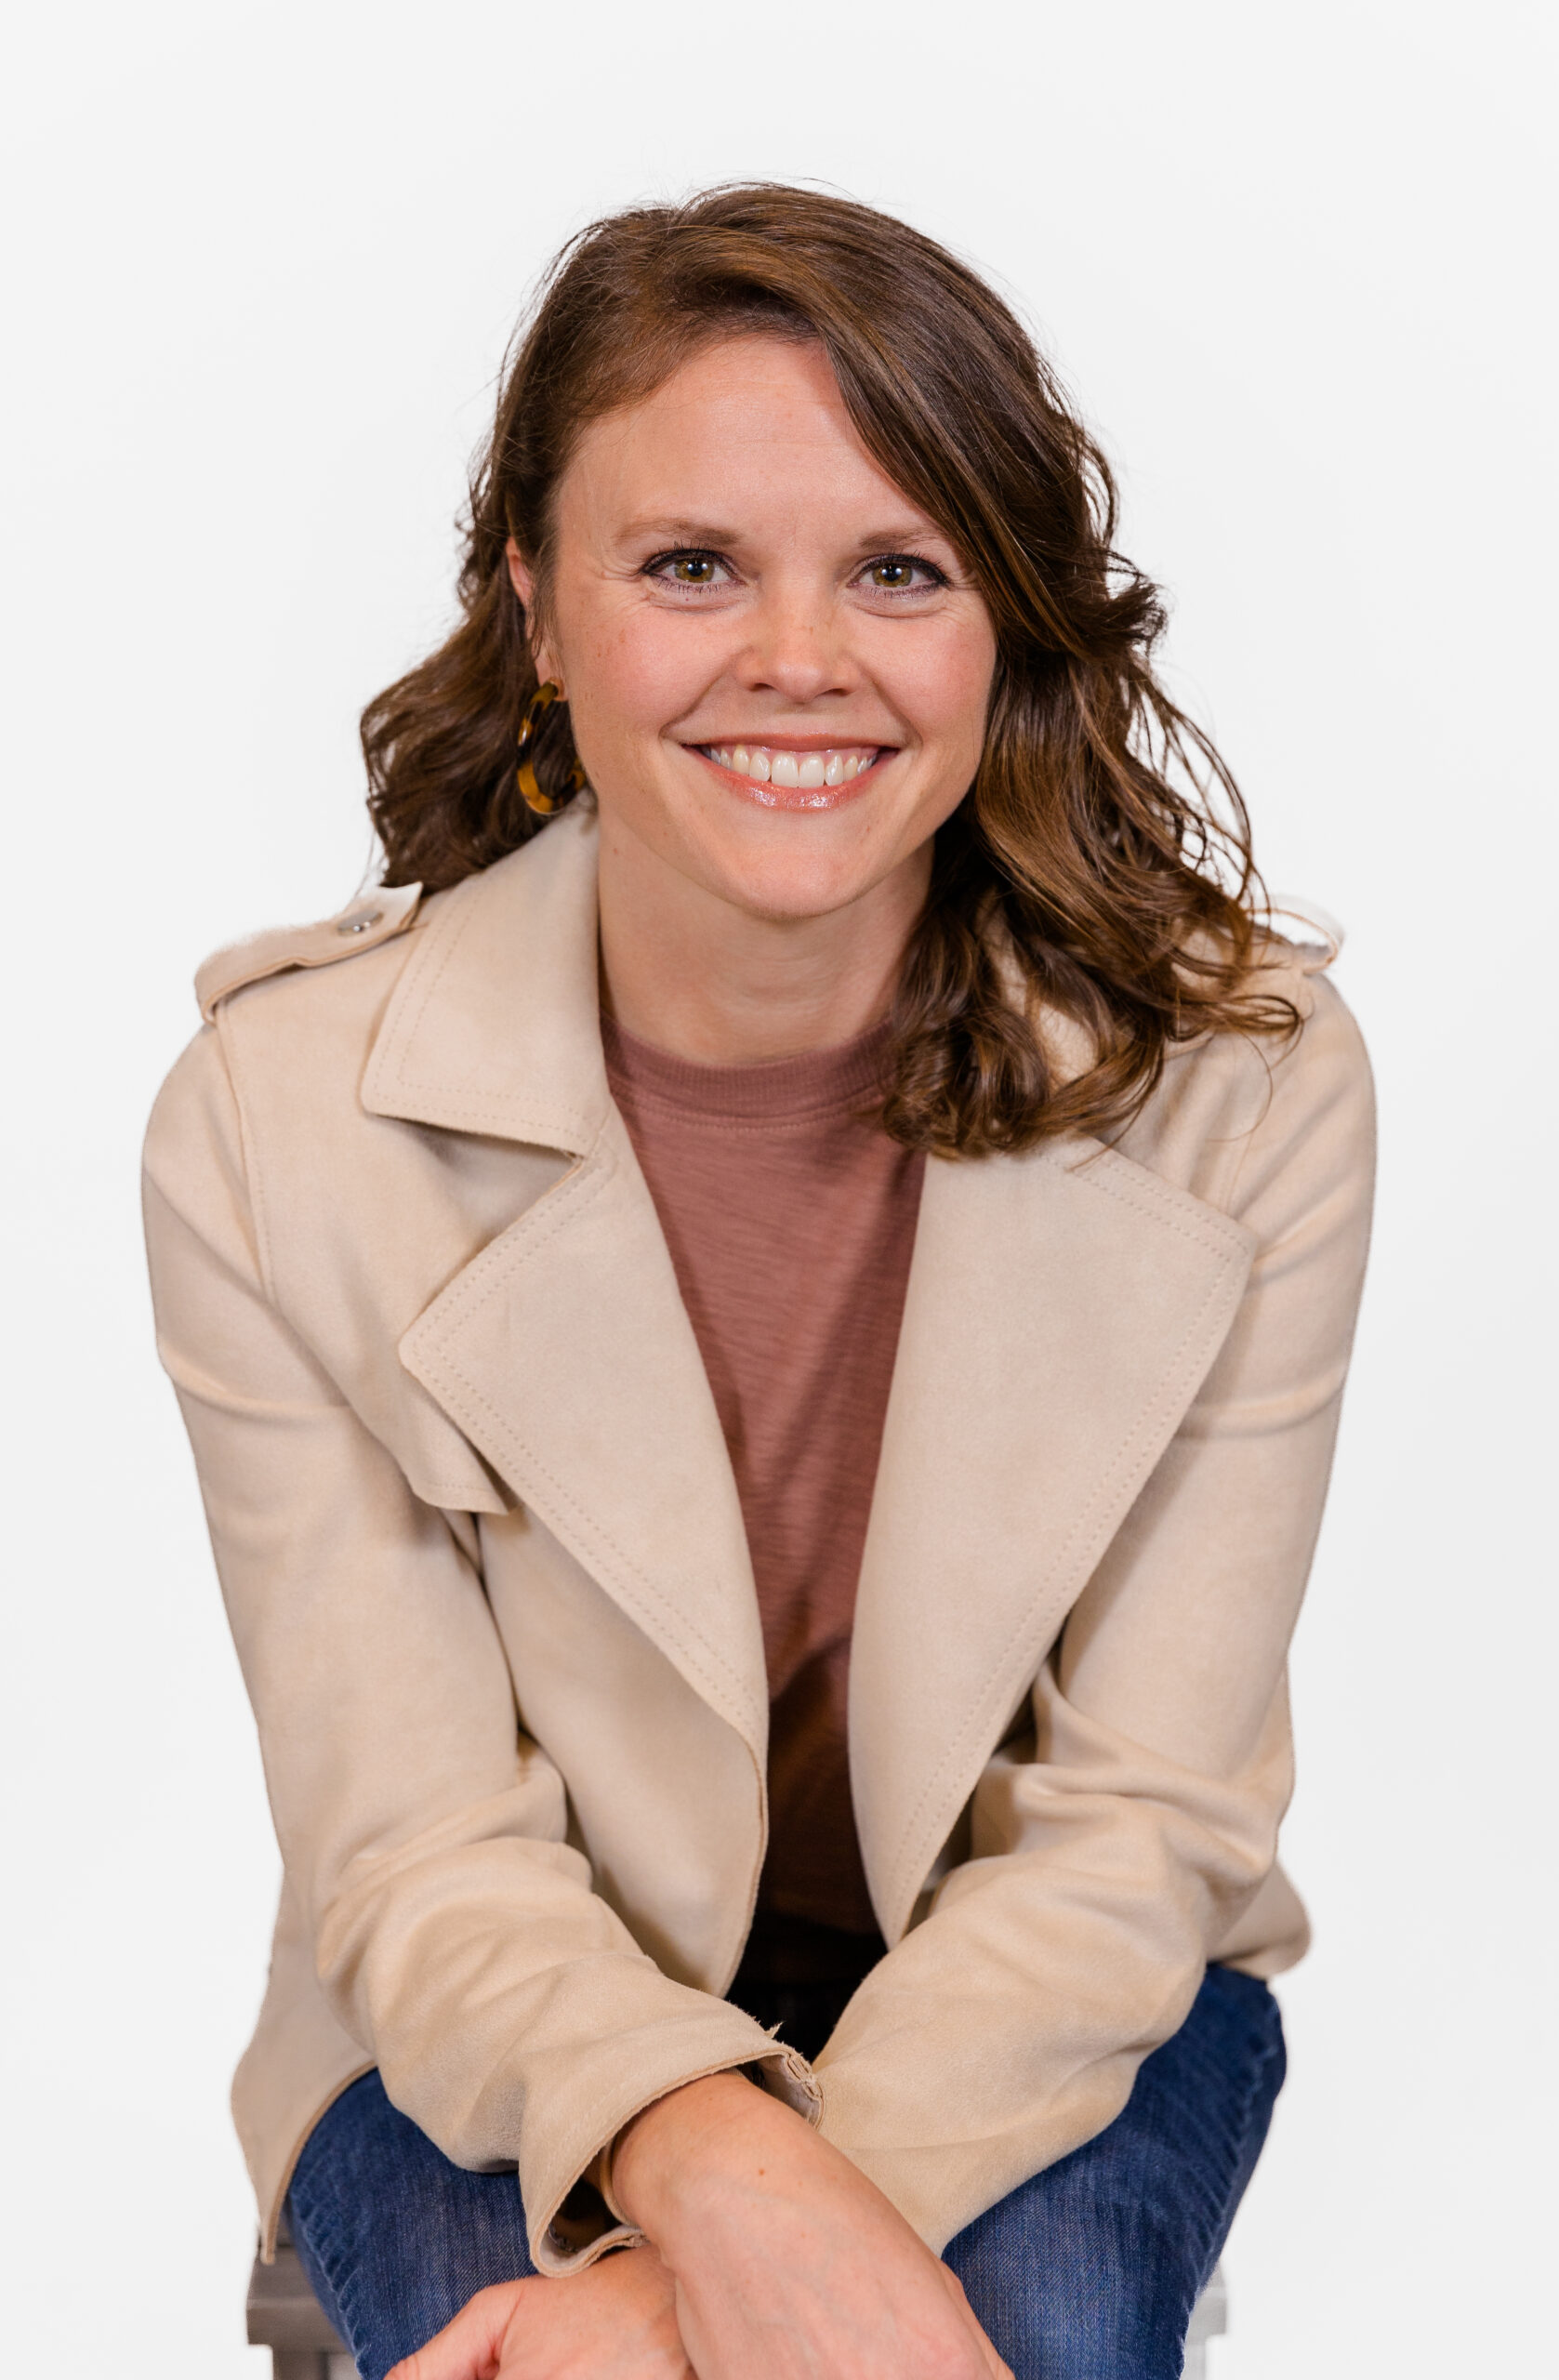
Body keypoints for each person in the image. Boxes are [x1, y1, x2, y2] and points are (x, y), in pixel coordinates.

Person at [142, 184, 1373, 2380]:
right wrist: (695, 2172)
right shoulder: (272, 1115)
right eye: (689, 563)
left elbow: (1139, 1823)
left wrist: (683, 2283)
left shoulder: (1241, 1091)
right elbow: (413, 1836)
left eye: (896, 570)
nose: (796, 657)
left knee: (1023, 2334)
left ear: (998, 621)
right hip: (498, 1995)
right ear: (532, 602)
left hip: (1052, 1972)